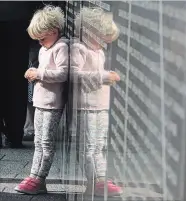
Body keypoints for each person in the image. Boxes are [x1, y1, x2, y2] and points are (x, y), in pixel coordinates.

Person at [14, 5, 68, 194]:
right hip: (40, 101)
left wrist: (39, 73)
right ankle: (34, 175)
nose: (41, 43)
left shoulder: (61, 46)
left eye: (42, 38)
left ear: (54, 31)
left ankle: (39, 177)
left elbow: (62, 73)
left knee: (46, 142)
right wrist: (34, 73)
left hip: (52, 103)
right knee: (38, 141)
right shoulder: (46, 48)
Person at [70, 7, 122, 196]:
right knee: (90, 146)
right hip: (87, 106)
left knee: (99, 144)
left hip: (100, 104)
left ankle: (100, 179)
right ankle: (95, 180)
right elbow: (75, 74)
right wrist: (104, 76)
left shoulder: (97, 51)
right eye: (101, 39)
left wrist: (105, 77)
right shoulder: (78, 48)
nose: (102, 45)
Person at [0, 2, 41, 148]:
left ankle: (13, 134)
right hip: (19, 20)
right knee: (17, 82)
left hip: (18, 19)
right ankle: (15, 134)